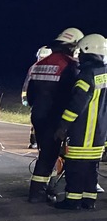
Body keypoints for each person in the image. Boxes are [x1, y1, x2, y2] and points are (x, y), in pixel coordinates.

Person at [25, 27, 83, 201]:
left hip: (38, 115)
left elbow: (30, 95)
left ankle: (46, 187)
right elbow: (72, 95)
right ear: (72, 46)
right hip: (55, 117)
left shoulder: (39, 65)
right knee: (49, 155)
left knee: (47, 152)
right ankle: (37, 193)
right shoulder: (70, 66)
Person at [52, 33, 107, 210]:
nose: (79, 56)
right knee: (91, 168)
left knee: (75, 167)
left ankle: (72, 201)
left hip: (83, 132)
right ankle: (89, 200)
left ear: (87, 51)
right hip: (99, 133)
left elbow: (77, 103)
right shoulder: (104, 74)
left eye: (80, 52)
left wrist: (63, 125)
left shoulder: (86, 75)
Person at [22, 45, 51, 148]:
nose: (41, 59)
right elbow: (27, 85)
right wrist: (25, 98)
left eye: (44, 57)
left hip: (49, 100)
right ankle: (34, 142)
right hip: (38, 100)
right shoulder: (33, 68)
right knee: (35, 121)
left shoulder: (55, 67)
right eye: (40, 57)